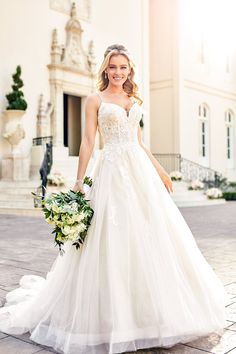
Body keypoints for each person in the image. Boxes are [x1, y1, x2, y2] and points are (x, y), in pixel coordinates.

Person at [0, 44, 228, 354]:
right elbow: (89, 141)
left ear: (129, 70)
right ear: (105, 69)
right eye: (113, 67)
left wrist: (160, 171)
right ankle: (113, 316)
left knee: (151, 236)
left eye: (123, 67)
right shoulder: (95, 99)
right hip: (111, 171)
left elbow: (139, 142)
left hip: (139, 172)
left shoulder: (133, 100)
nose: (118, 72)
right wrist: (79, 182)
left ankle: (151, 312)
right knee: (110, 238)